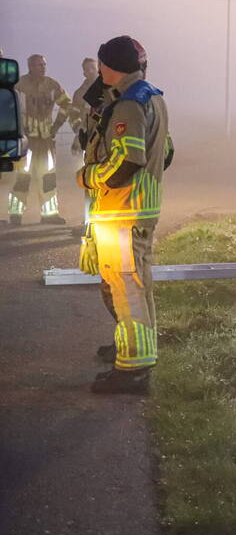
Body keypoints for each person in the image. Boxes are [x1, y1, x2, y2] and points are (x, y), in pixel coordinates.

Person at [76, 36, 173, 394]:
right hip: (138, 211)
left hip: (123, 213)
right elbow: (165, 153)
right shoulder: (153, 97)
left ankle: (132, 370)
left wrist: (89, 176)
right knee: (137, 287)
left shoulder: (129, 106)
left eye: (102, 65)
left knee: (126, 292)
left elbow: (127, 161)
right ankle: (135, 352)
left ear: (108, 66)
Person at [9, 53, 72, 225]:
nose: (43, 67)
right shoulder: (19, 85)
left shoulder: (52, 84)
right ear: (30, 66)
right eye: (39, 65)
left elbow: (67, 104)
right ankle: (15, 215)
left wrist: (57, 126)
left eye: (44, 64)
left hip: (46, 141)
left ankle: (49, 215)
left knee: (48, 178)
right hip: (26, 141)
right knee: (22, 177)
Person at [68, 58, 102, 236]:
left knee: (104, 179)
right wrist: (77, 133)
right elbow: (73, 115)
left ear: (98, 69)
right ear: (83, 72)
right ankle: (89, 219)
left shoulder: (107, 88)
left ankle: (101, 217)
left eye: (92, 68)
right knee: (89, 180)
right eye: (86, 69)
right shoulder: (79, 93)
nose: (89, 71)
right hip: (87, 141)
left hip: (104, 142)